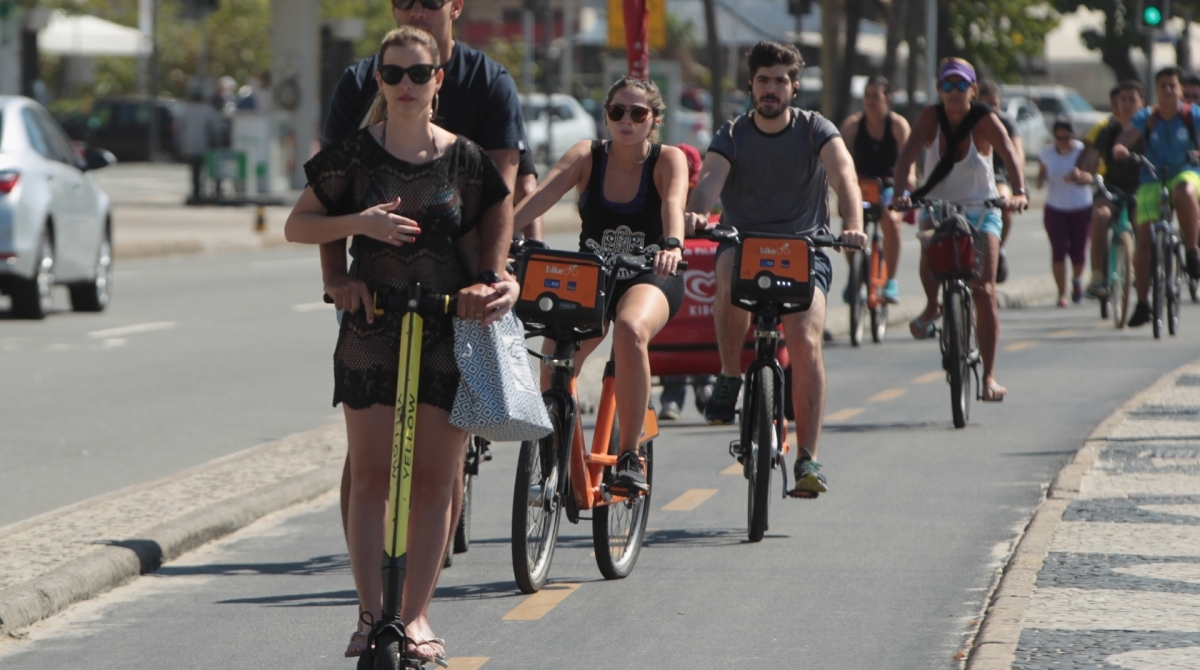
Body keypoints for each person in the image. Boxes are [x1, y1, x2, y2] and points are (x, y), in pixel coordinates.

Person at [284, 27, 517, 664]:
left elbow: (496, 223)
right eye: (394, 75)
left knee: (436, 480)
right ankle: (368, 617)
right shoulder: (356, 154)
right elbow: (297, 225)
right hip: (372, 327)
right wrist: (358, 229)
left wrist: (499, 283)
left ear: (439, 79)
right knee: (369, 477)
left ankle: (414, 619)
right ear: (379, 82)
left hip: (445, 326)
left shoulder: (465, 157)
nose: (407, 86)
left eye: (420, 74)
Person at [319, 0, 529, 580]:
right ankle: (367, 591)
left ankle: (417, 601)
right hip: (377, 289)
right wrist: (335, 278)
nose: (417, 7)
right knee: (368, 461)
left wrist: (491, 277)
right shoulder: (360, 79)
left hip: (453, 284)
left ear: (456, 6)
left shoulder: (488, 82)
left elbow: (500, 195)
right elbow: (330, 188)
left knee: (442, 465)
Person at [685, 41, 867, 496]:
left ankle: (808, 458)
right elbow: (708, 182)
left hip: (804, 252)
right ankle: (729, 375)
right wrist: (696, 213)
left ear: (794, 87)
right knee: (725, 272)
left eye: (780, 81)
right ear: (751, 85)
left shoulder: (815, 130)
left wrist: (853, 225)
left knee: (805, 340)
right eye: (763, 80)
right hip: (743, 246)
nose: (771, 89)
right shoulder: (732, 134)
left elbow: (845, 177)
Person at [514, 77, 688, 494]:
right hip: (593, 279)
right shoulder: (586, 156)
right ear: (605, 117)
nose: (626, 120)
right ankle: (557, 439)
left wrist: (672, 246)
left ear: (654, 121)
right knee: (554, 355)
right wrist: (497, 238)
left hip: (651, 274)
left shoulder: (668, 159)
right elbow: (539, 198)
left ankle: (630, 456)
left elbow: (673, 206)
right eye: (617, 112)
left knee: (629, 330)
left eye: (638, 113)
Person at [892, 58, 1028, 403]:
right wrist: (900, 195)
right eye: (947, 85)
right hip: (937, 209)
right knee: (929, 251)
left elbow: (1009, 153)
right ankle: (932, 305)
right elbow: (906, 155)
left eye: (960, 85)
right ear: (939, 90)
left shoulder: (983, 117)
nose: (954, 92)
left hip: (982, 209)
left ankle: (990, 376)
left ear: (973, 89)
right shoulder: (929, 117)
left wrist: (1020, 191)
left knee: (983, 290)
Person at [1111, 66, 1200, 327]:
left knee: (1183, 192)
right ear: (1156, 90)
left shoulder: (1191, 115)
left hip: (1186, 172)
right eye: (1163, 86)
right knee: (1145, 238)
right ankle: (1142, 303)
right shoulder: (1147, 117)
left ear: (1180, 89)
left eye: (1173, 86)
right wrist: (1120, 147)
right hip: (1152, 176)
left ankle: (1192, 252)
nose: (1168, 91)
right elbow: (1128, 135)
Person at [839, 76, 912, 303]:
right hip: (862, 185)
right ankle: (855, 274)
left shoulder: (898, 125)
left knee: (890, 220)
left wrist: (909, 180)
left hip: (890, 184)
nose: (871, 101)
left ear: (887, 98)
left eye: (876, 95)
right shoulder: (853, 125)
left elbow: (909, 159)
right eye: (867, 95)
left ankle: (890, 279)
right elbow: (837, 155)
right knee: (849, 225)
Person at [658, 142, 714, 420]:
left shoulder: (708, 218)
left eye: (691, 189)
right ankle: (673, 392)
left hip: (705, 319)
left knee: (706, 320)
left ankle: (706, 383)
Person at [1078, 81, 1145, 299]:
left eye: (1130, 100)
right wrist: (1085, 172)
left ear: (1141, 103)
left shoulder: (1148, 127)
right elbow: (1091, 158)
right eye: (1121, 100)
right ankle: (1098, 275)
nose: (1125, 104)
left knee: (1143, 222)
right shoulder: (1108, 129)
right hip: (1111, 188)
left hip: (1141, 188)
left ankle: (1142, 272)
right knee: (1100, 214)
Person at [1036, 119, 1094, 306]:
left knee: (1078, 252)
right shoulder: (1047, 153)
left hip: (1080, 206)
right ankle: (1062, 292)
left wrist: (1081, 176)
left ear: (1073, 136)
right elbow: (1042, 172)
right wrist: (1040, 180)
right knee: (1058, 251)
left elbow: (1092, 172)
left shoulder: (1081, 151)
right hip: (1055, 207)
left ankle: (1077, 280)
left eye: (1067, 137)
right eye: (1059, 138)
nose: (1063, 142)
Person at [977, 81, 1025, 283]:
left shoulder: (1006, 122)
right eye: (986, 105)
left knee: (1004, 206)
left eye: (995, 105)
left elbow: (1017, 153)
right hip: (972, 174)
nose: (992, 110)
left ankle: (998, 248)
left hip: (998, 173)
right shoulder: (967, 119)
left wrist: (1018, 187)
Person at [180, 88, 221, 203]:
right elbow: (216, 127)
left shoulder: (186, 110)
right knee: (212, 171)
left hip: (191, 145)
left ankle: (196, 193)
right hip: (206, 146)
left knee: (195, 173)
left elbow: (181, 127)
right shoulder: (208, 110)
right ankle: (215, 192)